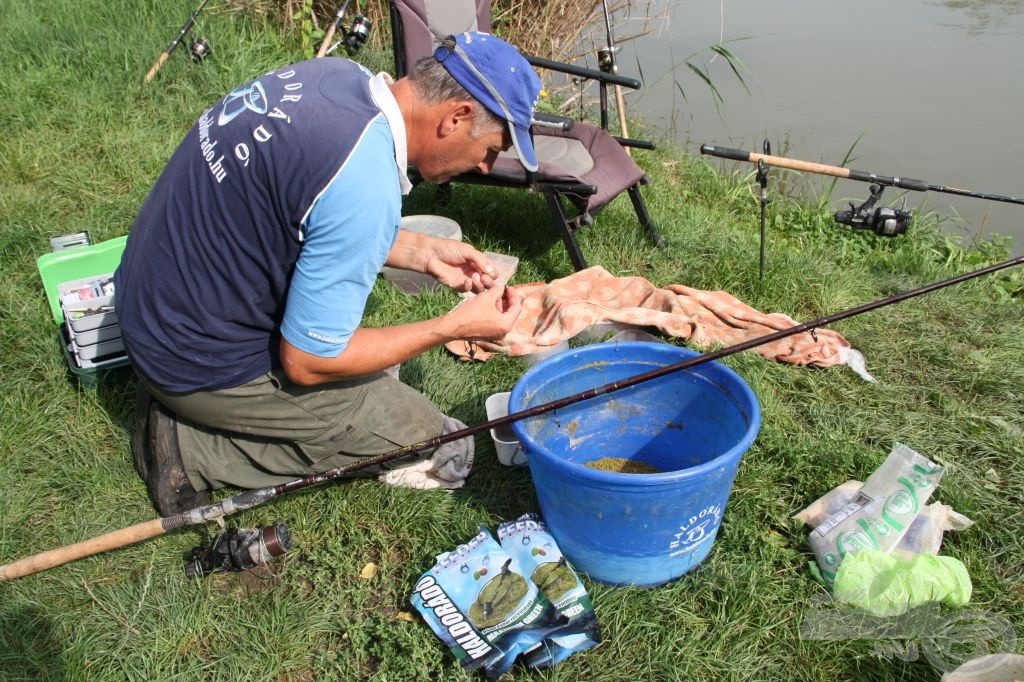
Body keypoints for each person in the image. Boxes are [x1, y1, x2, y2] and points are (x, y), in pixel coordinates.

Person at [115, 32, 542, 515]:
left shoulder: (337, 78)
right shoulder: (364, 185)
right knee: (432, 438)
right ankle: (190, 447)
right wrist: (453, 327)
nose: (486, 166)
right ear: (456, 118)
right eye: (490, 148)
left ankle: (190, 405)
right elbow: (308, 361)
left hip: (148, 304)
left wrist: (423, 253)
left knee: (374, 355)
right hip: (193, 362)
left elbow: (305, 218)